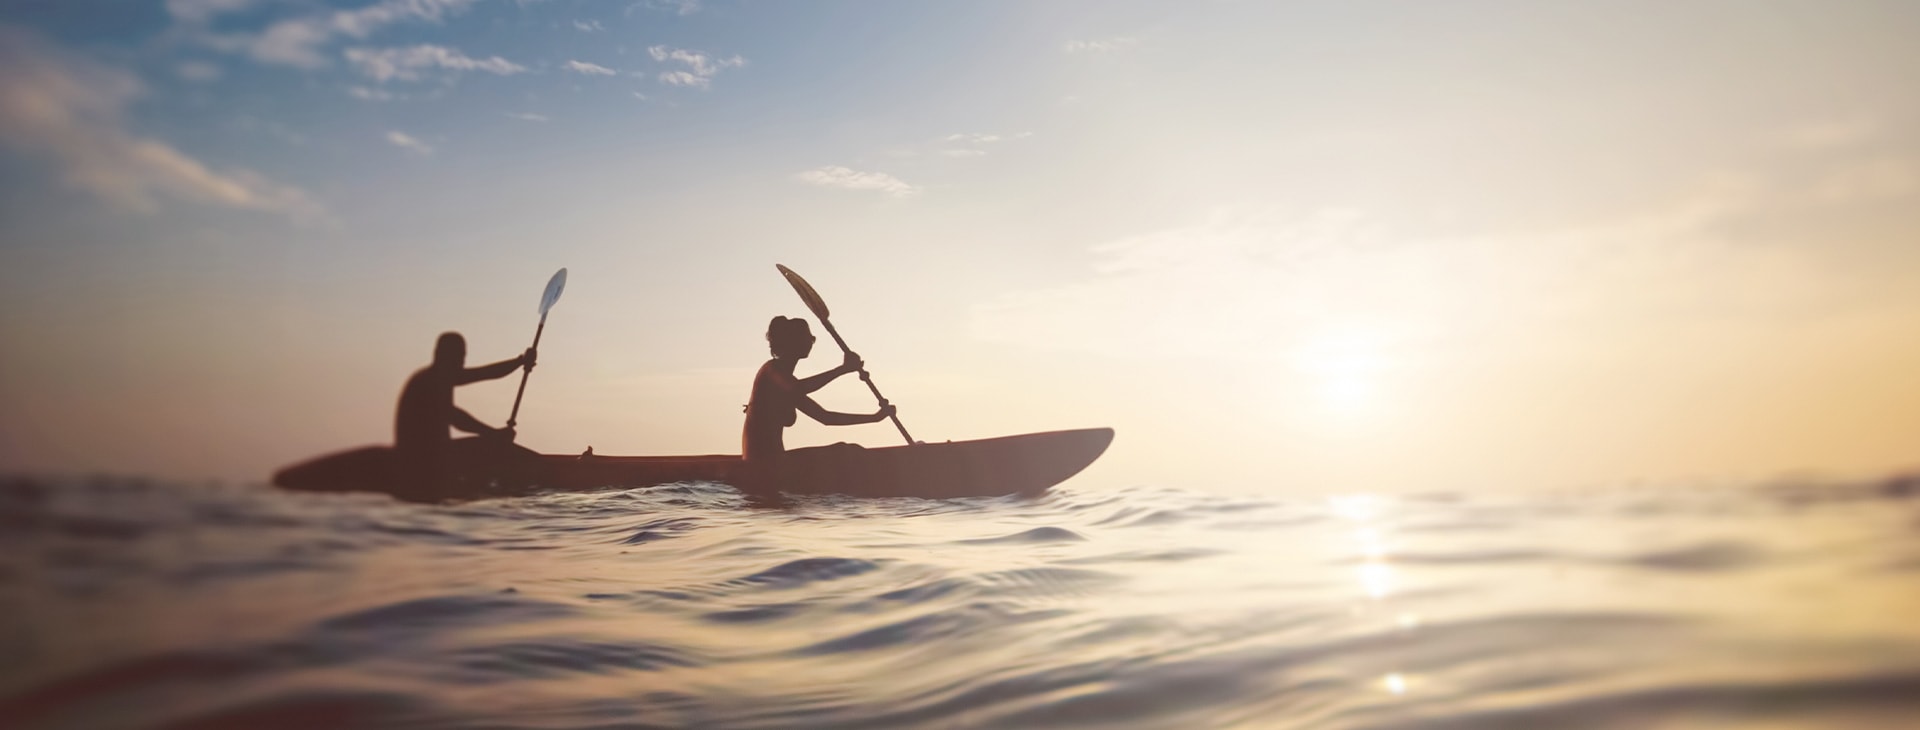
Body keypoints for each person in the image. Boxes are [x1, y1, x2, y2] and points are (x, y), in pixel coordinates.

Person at [394, 331, 536, 490]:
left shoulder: (440, 376)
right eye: (456, 356)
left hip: (434, 453)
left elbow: (485, 373)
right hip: (425, 458)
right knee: (495, 447)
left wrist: (520, 361)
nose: (461, 361)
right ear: (439, 355)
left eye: (462, 356)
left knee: (495, 445)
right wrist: (493, 434)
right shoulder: (429, 381)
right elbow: (455, 417)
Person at [742, 316, 895, 463]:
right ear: (792, 341)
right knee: (845, 452)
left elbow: (825, 417)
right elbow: (799, 388)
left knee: (847, 450)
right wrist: (843, 370)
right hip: (762, 463)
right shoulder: (771, 370)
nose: (811, 341)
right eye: (807, 337)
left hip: (776, 459)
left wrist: (875, 418)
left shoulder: (788, 386)